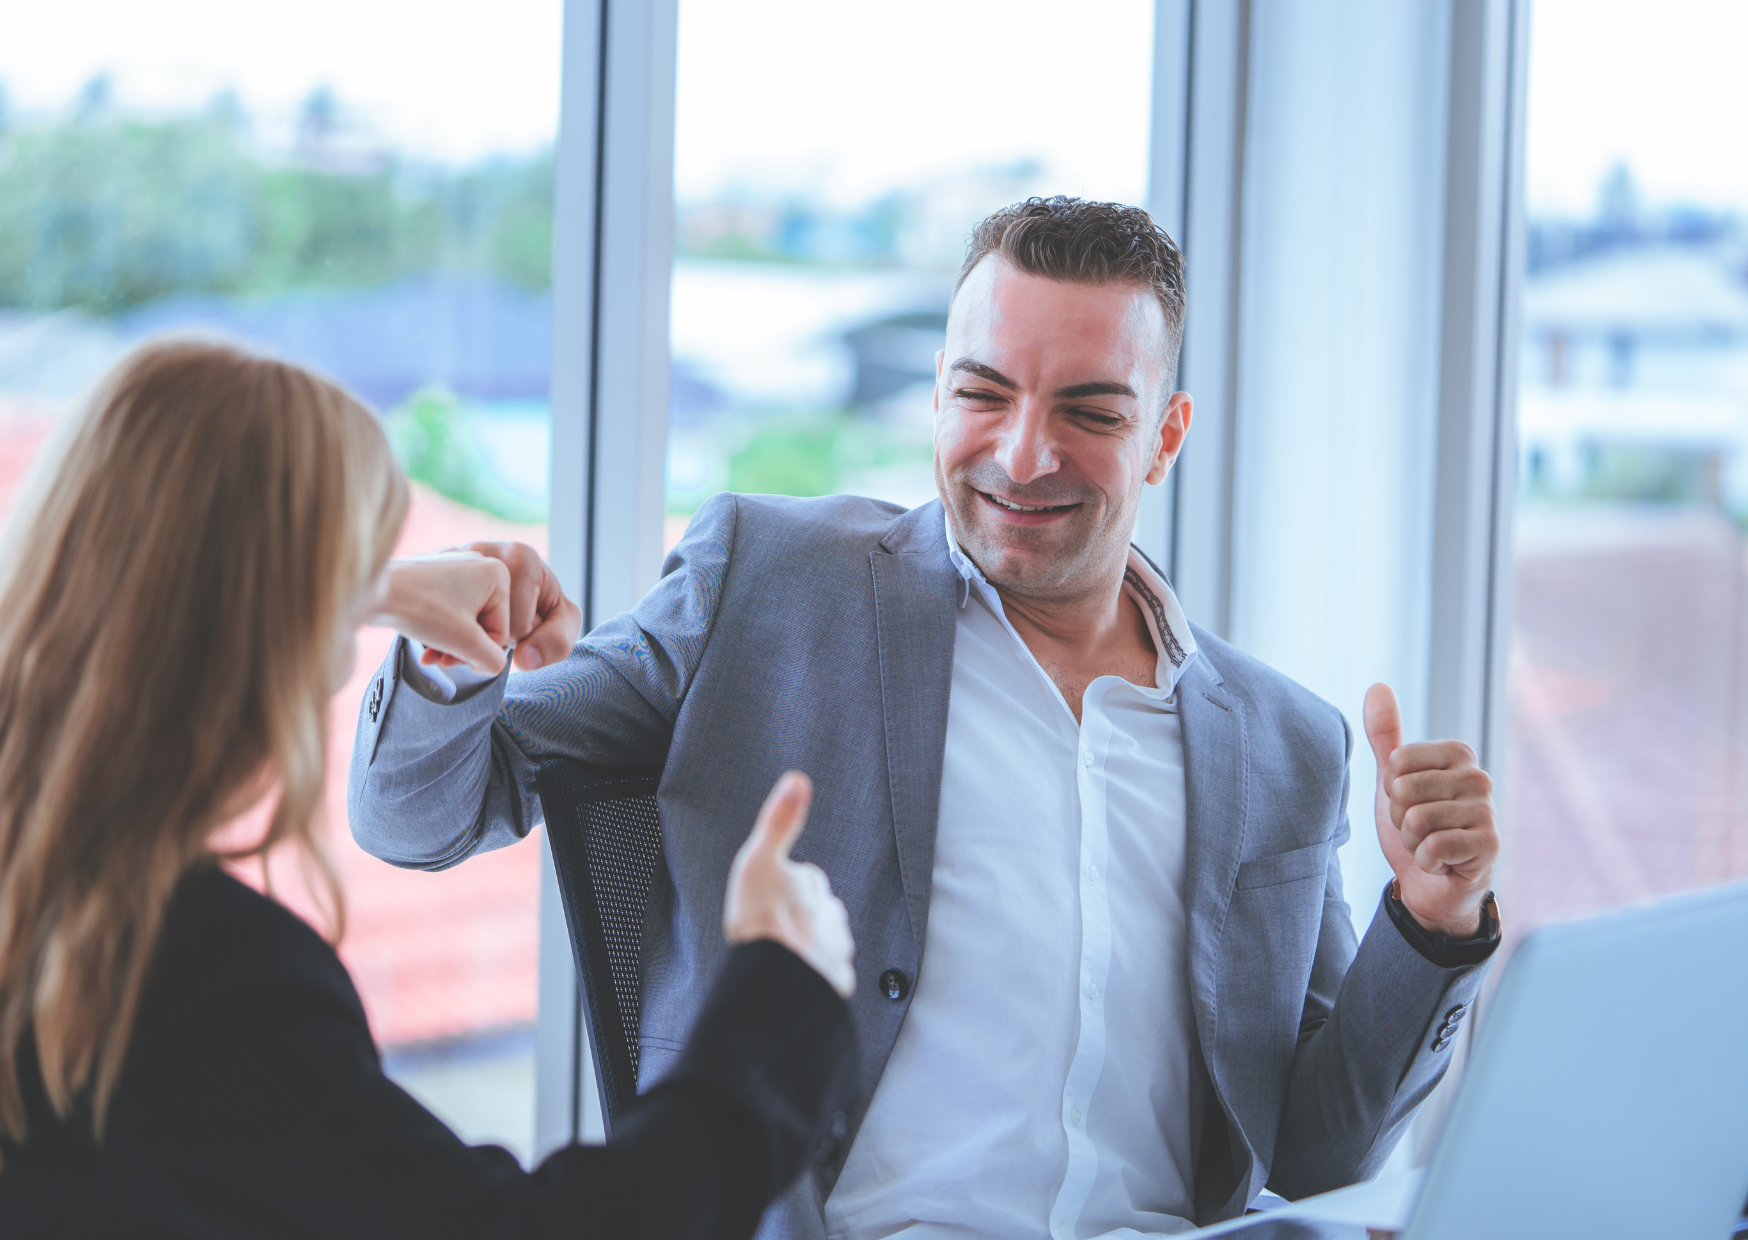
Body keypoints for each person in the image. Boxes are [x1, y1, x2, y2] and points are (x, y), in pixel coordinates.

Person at [350, 197, 1502, 1239]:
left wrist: (1432, 920)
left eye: (1088, 410)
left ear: (1164, 433)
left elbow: (1313, 1149)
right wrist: (451, 659)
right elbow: (421, 815)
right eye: (982, 392)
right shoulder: (768, 585)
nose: (1021, 452)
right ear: (939, 389)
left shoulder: (1282, 742)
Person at [0, 340, 859, 1239]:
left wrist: (381, 591)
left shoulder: (56, 900)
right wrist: (780, 988)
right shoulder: (201, 973)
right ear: (281, 627)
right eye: (346, 592)